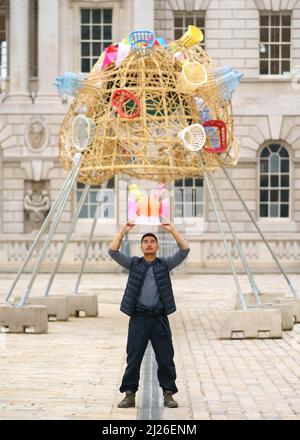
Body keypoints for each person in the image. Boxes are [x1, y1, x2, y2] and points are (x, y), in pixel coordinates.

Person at [108, 221, 190, 409]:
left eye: (152, 241)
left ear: (157, 246)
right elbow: (113, 252)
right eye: (145, 241)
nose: (149, 244)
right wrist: (123, 231)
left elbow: (184, 251)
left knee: (165, 357)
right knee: (133, 357)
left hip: (159, 318)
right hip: (139, 318)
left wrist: (171, 230)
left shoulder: (165, 264)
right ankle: (129, 394)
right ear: (141, 246)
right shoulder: (134, 263)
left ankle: (168, 394)